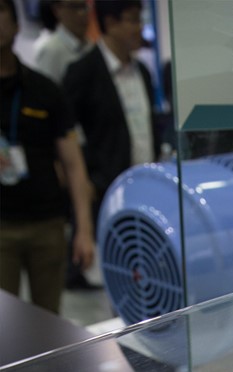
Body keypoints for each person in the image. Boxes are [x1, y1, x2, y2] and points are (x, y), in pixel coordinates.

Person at [0, 0, 94, 313]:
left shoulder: (44, 90)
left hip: (47, 223)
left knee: (48, 320)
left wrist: (84, 230)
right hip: (2, 227)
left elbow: (74, 164)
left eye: (1, 11)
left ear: (16, 25)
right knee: (5, 323)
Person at [63, 0, 159, 214]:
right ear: (110, 23)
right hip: (106, 192)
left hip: (147, 186)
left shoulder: (142, 71)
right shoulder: (83, 73)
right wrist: (89, 182)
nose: (140, 28)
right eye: (132, 20)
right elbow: (70, 135)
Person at [33, 0, 92, 84]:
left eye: (84, 7)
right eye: (74, 7)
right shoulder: (51, 51)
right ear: (57, 10)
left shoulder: (90, 45)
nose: (82, 13)